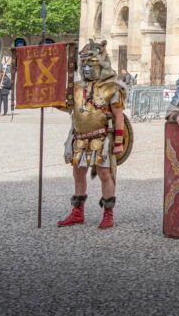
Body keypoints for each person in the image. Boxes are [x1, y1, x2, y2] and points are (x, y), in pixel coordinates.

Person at [56, 41, 131, 229]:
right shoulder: (76, 87)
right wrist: (51, 101)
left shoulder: (112, 87)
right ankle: (77, 212)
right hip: (80, 137)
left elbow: (118, 115)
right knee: (78, 172)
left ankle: (108, 213)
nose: (87, 69)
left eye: (92, 65)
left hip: (102, 137)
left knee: (105, 174)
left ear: (100, 66)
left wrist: (119, 141)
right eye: (85, 66)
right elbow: (70, 108)